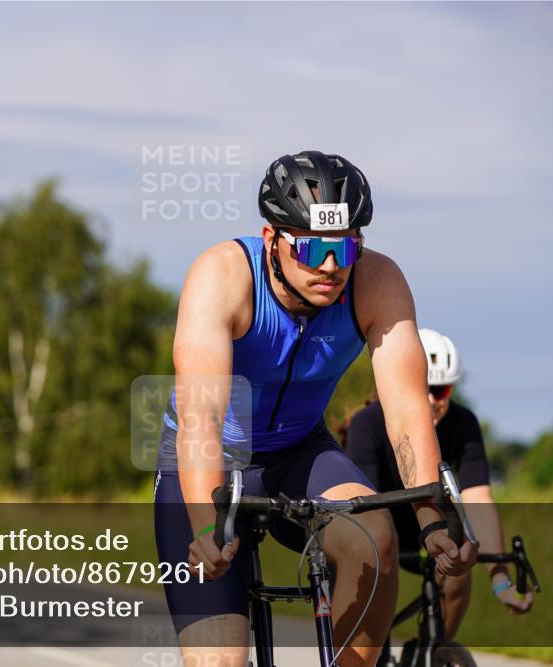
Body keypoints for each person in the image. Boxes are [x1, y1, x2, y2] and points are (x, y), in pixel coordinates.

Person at [152, 151, 477, 667]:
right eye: (311, 247)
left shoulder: (378, 282)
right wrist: (202, 526)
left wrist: (431, 516)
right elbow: (201, 419)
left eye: (344, 248)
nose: (330, 266)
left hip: (301, 453)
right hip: (210, 460)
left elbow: (407, 410)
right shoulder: (221, 276)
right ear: (271, 240)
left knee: (376, 538)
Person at [344, 328, 534, 640]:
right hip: (382, 520)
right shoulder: (366, 423)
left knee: (458, 569)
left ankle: (438, 649)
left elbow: (479, 503)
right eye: (422, 387)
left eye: (441, 390)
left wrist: (501, 582)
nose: (431, 400)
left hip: (435, 522)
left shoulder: (464, 423)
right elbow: (366, 509)